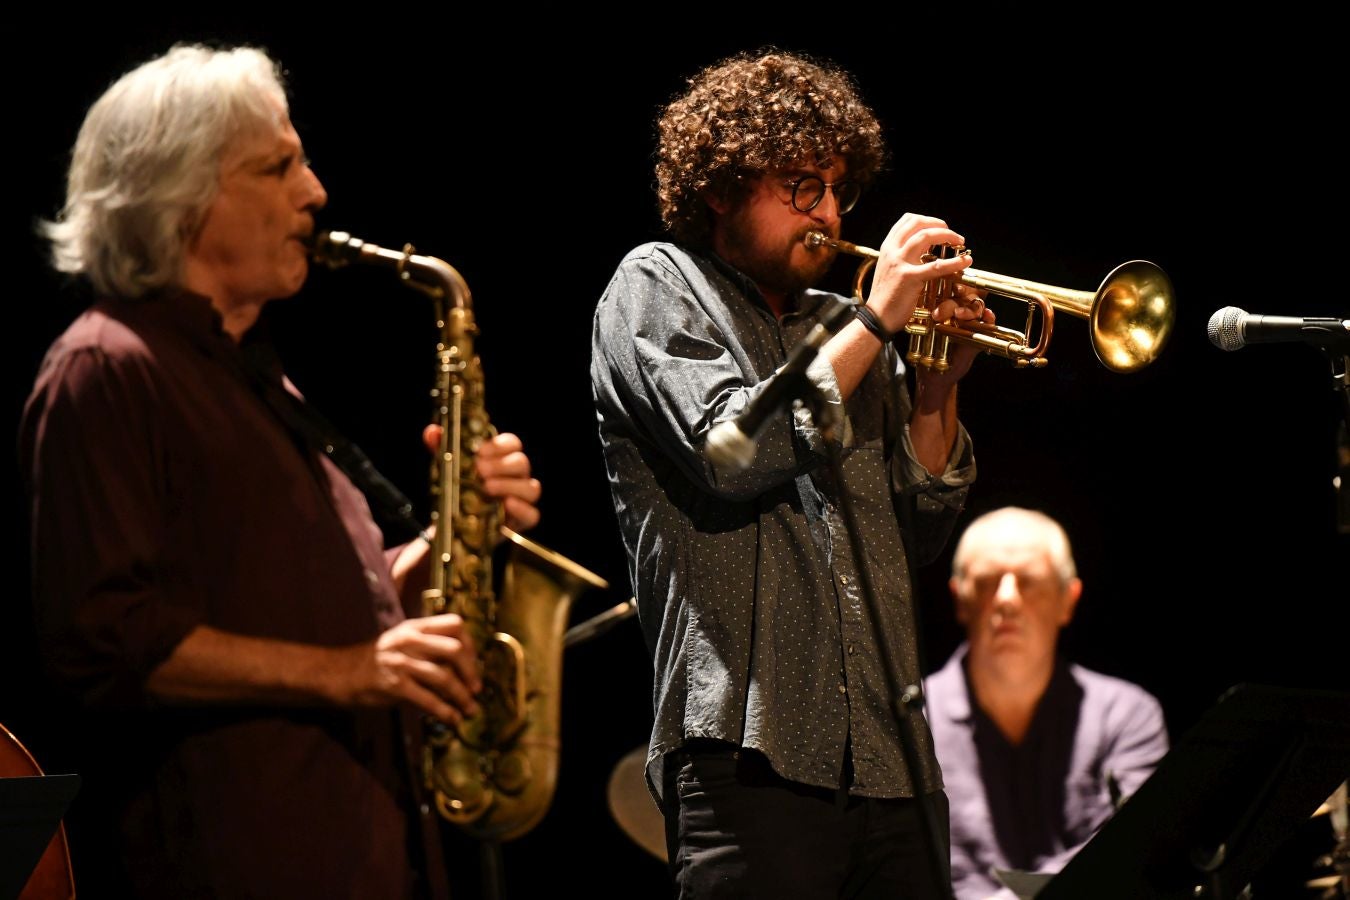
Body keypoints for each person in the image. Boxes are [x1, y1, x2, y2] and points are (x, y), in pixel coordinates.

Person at [18, 44, 541, 898]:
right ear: (183, 195)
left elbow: (320, 610)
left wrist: (459, 532)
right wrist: (351, 671)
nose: (315, 191)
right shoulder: (104, 367)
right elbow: (100, 642)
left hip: (371, 846)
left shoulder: (258, 385)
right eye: (279, 166)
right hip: (246, 854)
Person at [590, 48, 994, 899]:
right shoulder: (657, 285)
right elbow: (732, 452)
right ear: (720, 188)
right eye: (801, 187)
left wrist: (937, 389)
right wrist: (880, 319)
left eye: (837, 188)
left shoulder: (847, 328)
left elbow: (916, 533)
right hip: (748, 758)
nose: (829, 212)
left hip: (898, 770)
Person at [925, 506, 1169, 899]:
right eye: (987, 581)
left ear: (1067, 599)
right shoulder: (913, 719)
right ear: (960, 598)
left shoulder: (1126, 715)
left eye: (1029, 581)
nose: (1006, 599)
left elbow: (1138, 848)